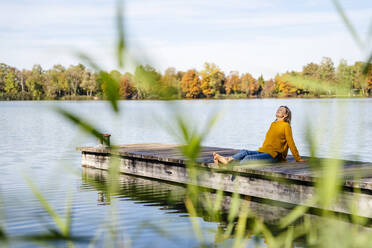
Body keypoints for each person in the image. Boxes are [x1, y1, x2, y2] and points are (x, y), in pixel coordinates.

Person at [213, 106, 305, 165]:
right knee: (244, 152)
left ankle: (226, 162)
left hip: (274, 156)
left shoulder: (286, 126)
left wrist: (298, 159)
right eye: (278, 109)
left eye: (281, 110)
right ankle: (227, 160)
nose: (278, 110)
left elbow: (291, 143)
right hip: (263, 152)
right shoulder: (273, 124)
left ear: (285, 115)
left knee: (249, 158)